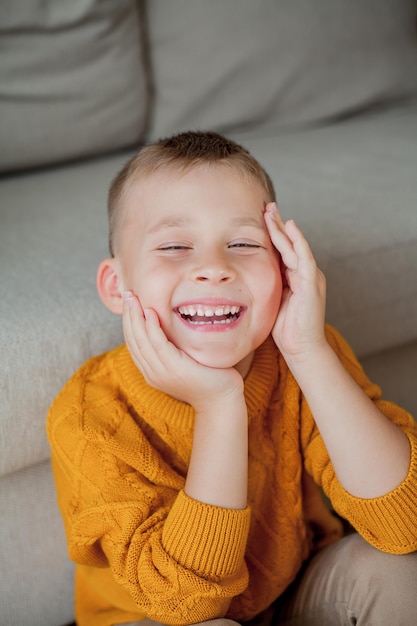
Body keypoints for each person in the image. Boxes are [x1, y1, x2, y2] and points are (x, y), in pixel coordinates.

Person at [47, 131, 417, 626]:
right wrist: (220, 407)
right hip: (163, 616)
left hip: (286, 594)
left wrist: (309, 353)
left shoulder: (302, 352)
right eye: (176, 245)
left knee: (396, 572)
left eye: (243, 243)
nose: (213, 269)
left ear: (284, 269)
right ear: (118, 287)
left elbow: (404, 525)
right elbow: (188, 605)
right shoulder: (90, 411)